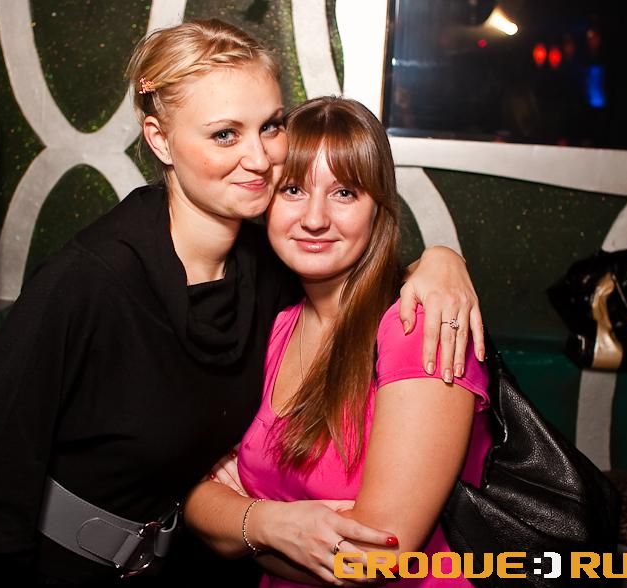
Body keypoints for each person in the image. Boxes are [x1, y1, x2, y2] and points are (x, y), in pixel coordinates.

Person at [0, 21, 483, 588]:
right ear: (160, 139)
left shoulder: (266, 274)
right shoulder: (92, 277)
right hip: (46, 569)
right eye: (225, 134)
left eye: (270, 127)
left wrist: (440, 262)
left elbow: (356, 266)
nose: (259, 158)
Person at [184, 96, 492, 587]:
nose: (314, 218)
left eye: (345, 192)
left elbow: (372, 559)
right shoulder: (274, 326)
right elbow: (190, 494)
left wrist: (246, 521)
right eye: (293, 190)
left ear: (378, 209)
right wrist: (268, 524)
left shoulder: (419, 327)